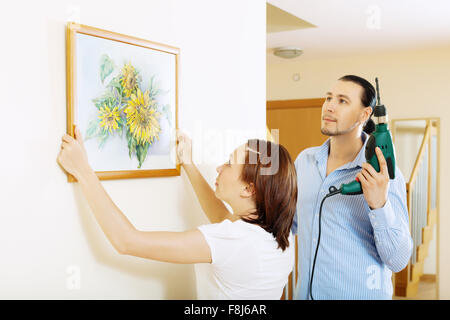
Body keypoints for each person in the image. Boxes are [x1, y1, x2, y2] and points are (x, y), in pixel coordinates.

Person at [57, 127, 297, 299]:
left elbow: (126, 241)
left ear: (248, 189)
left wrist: (83, 171)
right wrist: (188, 164)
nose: (218, 167)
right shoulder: (277, 236)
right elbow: (223, 220)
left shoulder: (233, 240)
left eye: (228, 164)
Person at [292, 75, 413, 300]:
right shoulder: (304, 162)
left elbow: (398, 260)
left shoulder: (383, 174)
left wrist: (379, 205)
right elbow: (289, 224)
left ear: (365, 114)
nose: (329, 106)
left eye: (342, 101)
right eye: (328, 98)